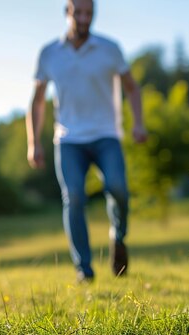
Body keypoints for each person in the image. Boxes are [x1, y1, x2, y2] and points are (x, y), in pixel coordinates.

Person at [26, 0, 147, 283]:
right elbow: (38, 100)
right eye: (77, 13)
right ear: (66, 13)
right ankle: (85, 270)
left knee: (118, 188)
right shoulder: (49, 53)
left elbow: (131, 87)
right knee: (74, 197)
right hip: (69, 139)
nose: (83, 18)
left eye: (88, 13)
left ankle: (118, 237)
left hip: (107, 134)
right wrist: (34, 142)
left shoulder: (109, 48)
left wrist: (139, 123)